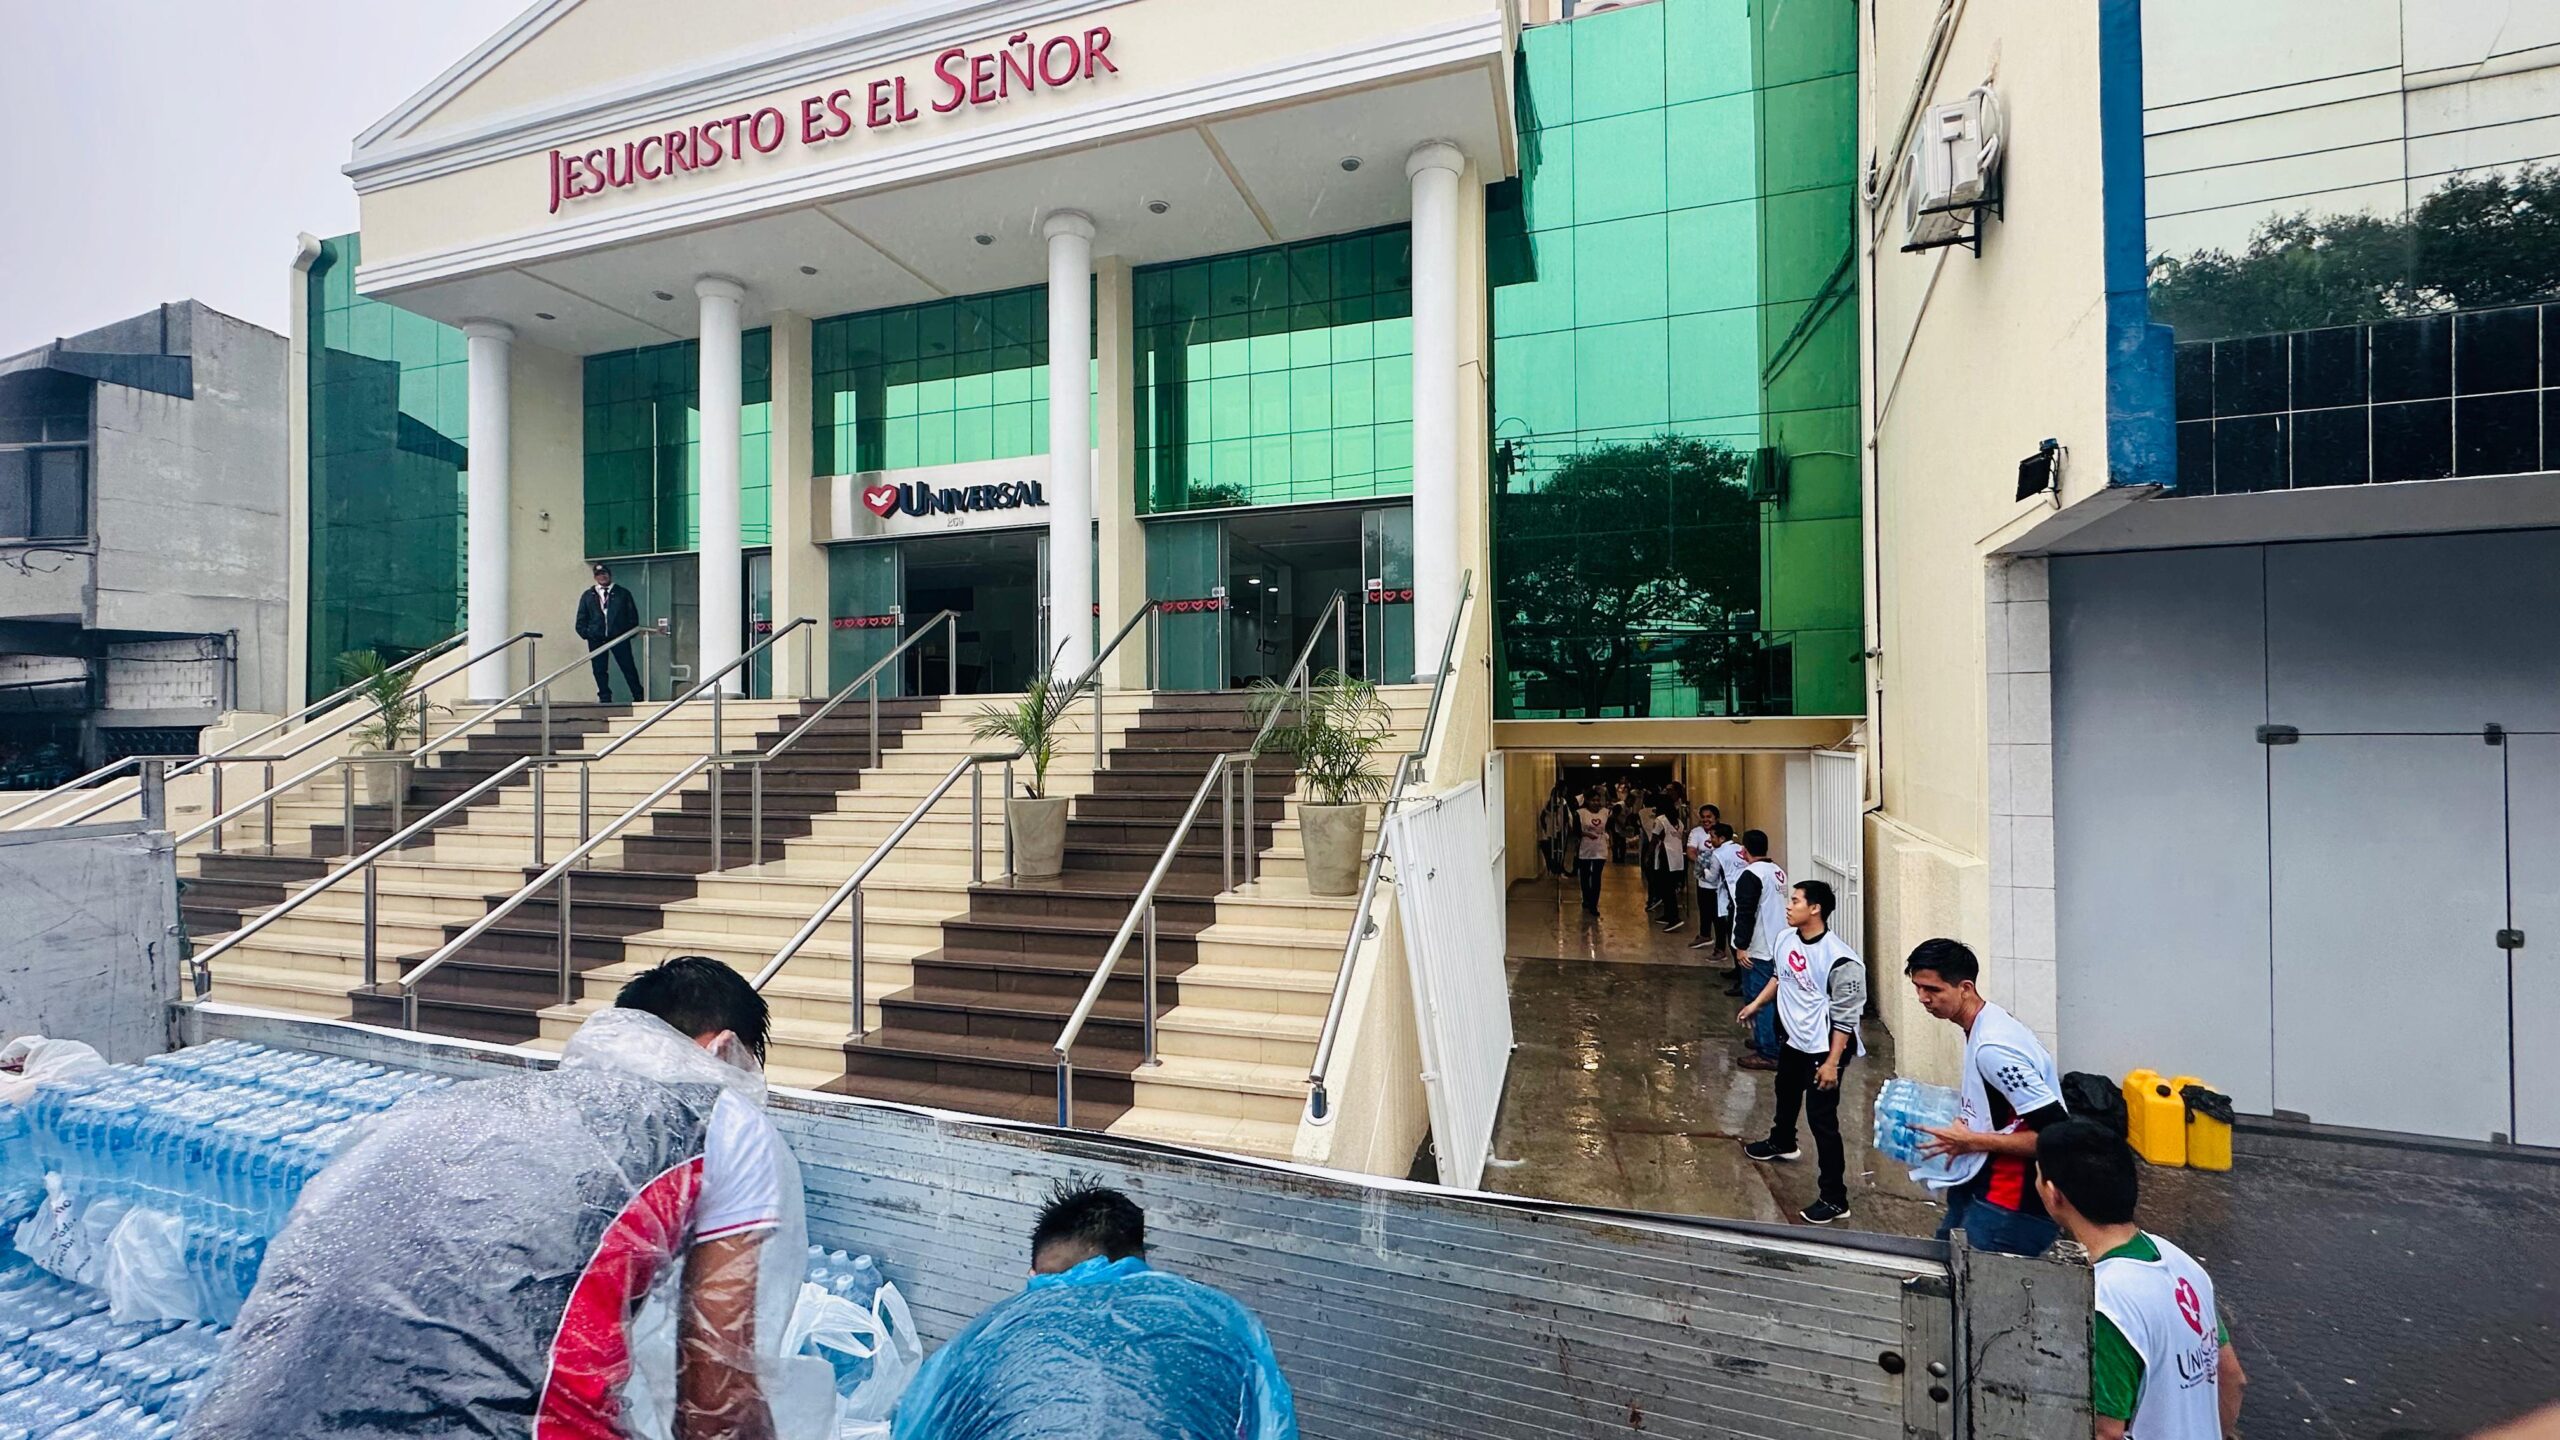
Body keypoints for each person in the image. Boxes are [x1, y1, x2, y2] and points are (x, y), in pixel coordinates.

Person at [185, 957, 802, 1440]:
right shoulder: (717, 1119)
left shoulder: (467, 1109)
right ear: (721, 1050)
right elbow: (715, 1391)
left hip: (243, 1412)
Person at [891, 1183, 1297, 1440]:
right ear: (1135, 1258)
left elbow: (915, 1425)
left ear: (1038, 1272)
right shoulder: (1220, 1318)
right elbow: (1272, 1424)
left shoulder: (986, 1335)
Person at [2036, 1120, 2245, 1440]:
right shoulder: (2182, 1264)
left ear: (2053, 1195)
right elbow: (2231, 1377)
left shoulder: (2106, 1303)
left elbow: (2106, 1432)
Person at [1906, 937, 2070, 1256]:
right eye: (1918, 988)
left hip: (2011, 1204)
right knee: (1944, 1266)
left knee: (1976, 1293)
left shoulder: (1994, 1050)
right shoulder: (1985, 1022)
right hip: (1980, 1185)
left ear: (1965, 988)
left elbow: (2058, 1136)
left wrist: (1971, 1141)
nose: (1923, 998)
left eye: (1933, 990)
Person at [1737, 880, 1865, 1224]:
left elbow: (1846, 1018)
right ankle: (1782, 1142)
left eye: (1795, 901)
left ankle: (1835, 1198)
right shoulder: (1785, 939)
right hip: (1796, 1040)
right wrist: (1757, 1004)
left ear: (1815, 909)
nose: (1788, 906)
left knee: (1822, 1121)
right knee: (1785, 1090)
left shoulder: (1840, 960)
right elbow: (1781, 977)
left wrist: (1832, 1064)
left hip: (1825, 1047)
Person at [1725, 830, 1788, 1070]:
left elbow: (1745, 913)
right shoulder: (1777, 871)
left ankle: (1768, 1051)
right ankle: (1768, 1039)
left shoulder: (1750, 875)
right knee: (1771, 998)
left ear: (1744, 850)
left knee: (1760, 998)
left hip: (1760, 947)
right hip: (1778, 943)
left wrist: (1741, 946)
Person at [576, 562, 646, 704]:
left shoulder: (622, 593)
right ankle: (605, 696)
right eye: (599, 575)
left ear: (610, 575)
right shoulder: (588, 595)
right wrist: (588, 633)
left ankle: (638, 695)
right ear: (595, 577)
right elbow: (581, 619)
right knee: (599, 669)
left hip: (618, 638)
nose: (602, 577)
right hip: (597, 639)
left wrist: (625, 633)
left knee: (628, 667)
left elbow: (633, 617)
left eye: (604, 574)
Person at [1648, 794, 1688, 930]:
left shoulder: (1661, 820)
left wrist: (1648, 856)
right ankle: (1667, 915)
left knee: (1666, 888)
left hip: (1665, 857)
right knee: (1670, 887)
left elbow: (1654, 839)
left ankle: (1673, 918)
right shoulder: (1679, 822)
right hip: (1677, 858)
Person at [1685, 809, 1720, 950]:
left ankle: (1721, 946)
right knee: (1704, 908)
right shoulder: (1696, 832)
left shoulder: (1723, 831)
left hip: (1721, 882)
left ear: (1716, 818)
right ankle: (1705, 935)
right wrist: (1704, 863)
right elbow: (1691, 851)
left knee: (1719, 913)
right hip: (1704, 879)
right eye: (1703, 817)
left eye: (1709, 817)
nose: (1706, 820)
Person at [1572, 791, 1611, 915]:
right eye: (1593, 800)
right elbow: (1576, 831)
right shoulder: (1581, 813)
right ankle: (1586, 898)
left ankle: (1594, 904)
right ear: (1587, 801)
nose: (1596, 803)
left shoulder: (1605, 812)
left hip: (1600, 848)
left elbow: (1608, 827)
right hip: (1586, 847)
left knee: (1596, 876)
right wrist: (1587, 834)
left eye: (1597, 800)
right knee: (1585, 875)